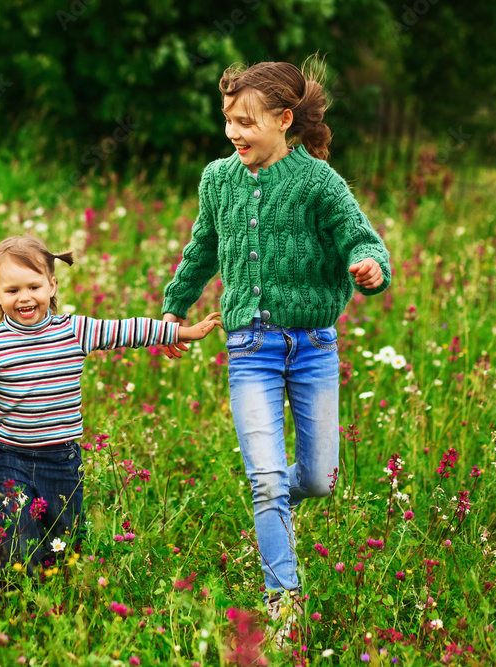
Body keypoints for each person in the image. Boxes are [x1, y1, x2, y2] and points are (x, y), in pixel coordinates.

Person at [158, 58, 391, 646]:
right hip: (249, 349)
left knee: (315, 479)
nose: (233, 132)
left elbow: (361, 238)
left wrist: (370, 268)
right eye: (228, 121)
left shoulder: (318, 182)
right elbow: (202, 247)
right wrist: (174, 308)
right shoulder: (217, 179)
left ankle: (272, 514)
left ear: (284, 120)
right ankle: (283, 602)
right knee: (266, 480)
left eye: (245, 121)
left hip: (312, 347)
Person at [0, 236, 220, 582]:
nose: (25, 297)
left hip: (62, 460)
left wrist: (181, 331)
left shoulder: (74, 331)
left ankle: (58, 600)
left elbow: (126, 330)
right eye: (12, 291)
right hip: (11, 457)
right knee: (15, 537)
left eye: (34, 286)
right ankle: (11, 603)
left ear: (52, 286)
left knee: (64, 542)